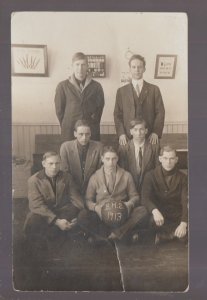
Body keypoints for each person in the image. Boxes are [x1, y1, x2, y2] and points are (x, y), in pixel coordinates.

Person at [78, 146, 147, 243]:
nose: (111, 162)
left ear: (117, 159)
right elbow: (88, 200)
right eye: (107, 159)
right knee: (82, 215)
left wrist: (129, 205)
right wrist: (96, 208)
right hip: (102, 216)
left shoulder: (126, 175)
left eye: (114, 159)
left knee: (142, 211)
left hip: (122, 215)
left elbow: (135, 196)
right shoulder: (95, 177)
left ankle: (113, 235)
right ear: (102, 159)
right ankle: (119, 235)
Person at [24, 151, 84, 262]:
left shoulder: (67, 177)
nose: (54, 167)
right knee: (34, 221)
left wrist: (79, 216)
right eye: (51, 163)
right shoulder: (34, 180)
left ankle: (60, 255)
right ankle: (40, 257)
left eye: (57, 163)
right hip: (43, 213)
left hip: (63, 211)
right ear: (43, 164)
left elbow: (75, 198)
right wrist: (56, 221)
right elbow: (36, 205)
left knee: (72, 219)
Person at [114, 54, 165, 146]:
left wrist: (156, 132)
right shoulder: (121, 91)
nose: (137, 70)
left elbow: (160, 112)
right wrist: (121, 133)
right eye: (134, 67)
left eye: (140, 67)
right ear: (130, 69)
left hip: (150, 137)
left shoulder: (154, 89)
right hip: (127, 137)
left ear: (144, 69)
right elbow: (117, 114)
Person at [141, 145, 188, 244]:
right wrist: (154, 210)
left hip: (176, 215)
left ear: (176, 159)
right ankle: (171, 235)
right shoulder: (150, 175)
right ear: (160, 159)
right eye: (165, 158)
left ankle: (166, 236)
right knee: (148, 220)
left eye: (171, 158)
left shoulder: (183, 178)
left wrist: (183, 223)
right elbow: (145, 198)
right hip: (159, 216)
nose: (168, 162)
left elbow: (185, 201)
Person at [54, 52, 105, 142]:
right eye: (77, 65)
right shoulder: (62, 86)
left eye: (83, 65)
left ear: (87, 66)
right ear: (72, 66)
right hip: (69, 130)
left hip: (90, 130)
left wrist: (92, 123)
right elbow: (59, 110)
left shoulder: (96, 86)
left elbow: (99, 108)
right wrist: (68, 123)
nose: (80, 68)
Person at [60, 119, 103, 195]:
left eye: (87, 134)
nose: (84, 137)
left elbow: (100, 171)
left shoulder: (98, 147)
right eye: (81, 134)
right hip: (72, 189)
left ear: (90, 134)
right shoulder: (65, 147)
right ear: (75, 134)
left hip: (93, 188)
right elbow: (64, 172)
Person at [118, 118, 160, 193]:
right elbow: (122, 171)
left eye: (141, 129)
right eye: (135, 130)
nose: (139, 133)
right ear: (131, 132)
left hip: (149, 188)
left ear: (146, 131)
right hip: (129, 188)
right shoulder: (124, 148)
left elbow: (157, 171)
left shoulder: (154, 147)